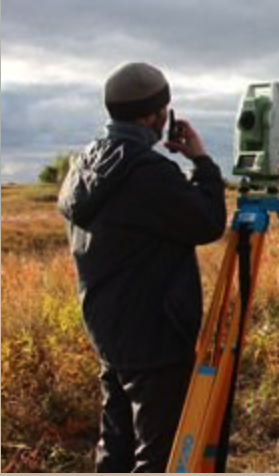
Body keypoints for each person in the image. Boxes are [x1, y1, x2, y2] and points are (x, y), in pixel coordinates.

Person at [57, 62, 227, 472]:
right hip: (154, 336)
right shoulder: (147, 172)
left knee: (116, 441)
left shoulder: (85, 164)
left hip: (108, 328)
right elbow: (207, 222)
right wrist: (202, 162)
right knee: (160, 452)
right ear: (155, 115)